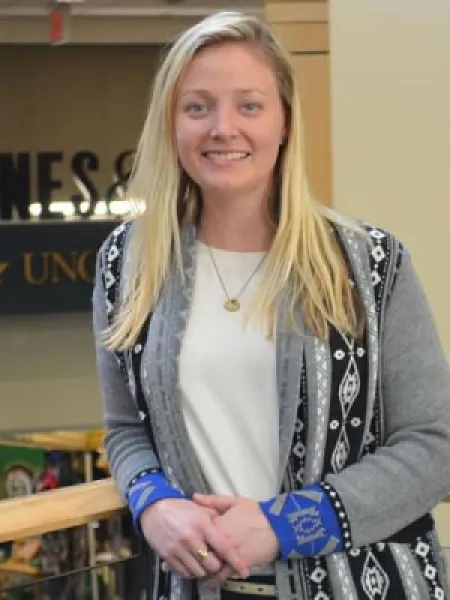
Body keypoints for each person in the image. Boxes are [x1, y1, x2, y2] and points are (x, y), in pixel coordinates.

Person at [92, 11, 450, 600]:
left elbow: (433, 444)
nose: (222, 128)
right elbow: (126, 430)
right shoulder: (126, 264)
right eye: (198, 106)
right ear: (171, 125)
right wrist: (152, 504)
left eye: (250, 106)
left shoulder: (372, 265)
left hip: (361, 585)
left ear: (284, 121)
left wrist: (283, 525)